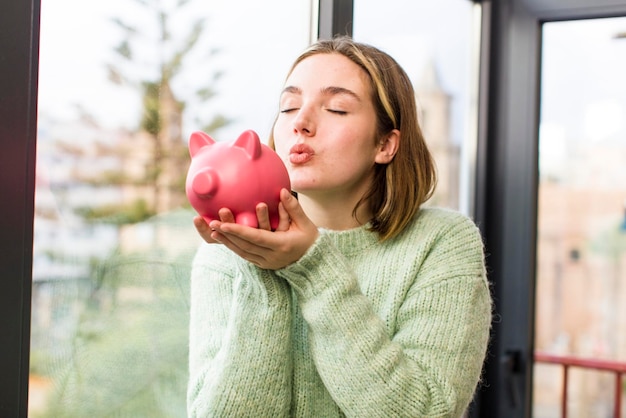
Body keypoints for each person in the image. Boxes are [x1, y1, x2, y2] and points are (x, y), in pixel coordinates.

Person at [187, 36, 492, 418]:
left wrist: (313, 269)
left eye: (336, 108)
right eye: (289, 106)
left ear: (385, 144)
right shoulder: (227, 251)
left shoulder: (443, 243)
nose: (301, 122)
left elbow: (425, 412)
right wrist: (261, 270)